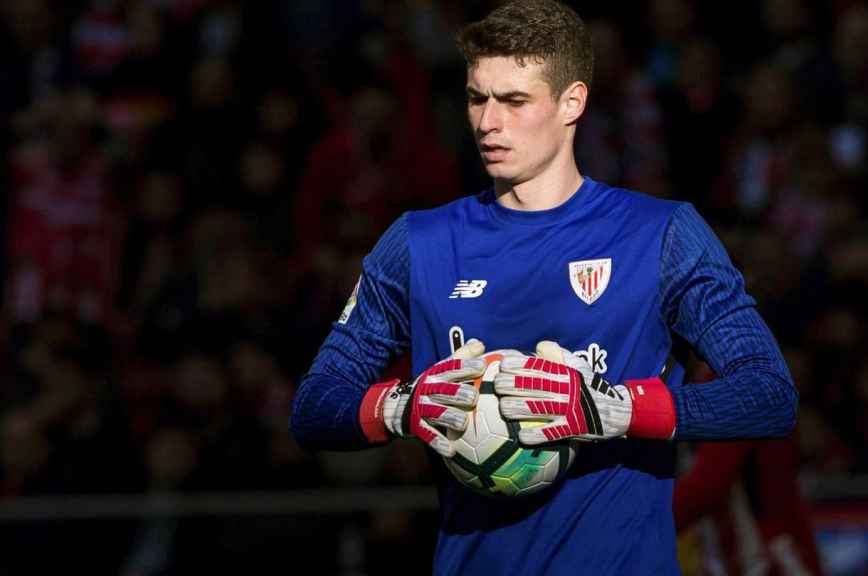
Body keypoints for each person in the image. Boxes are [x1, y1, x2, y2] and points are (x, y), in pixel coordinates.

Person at [289, 1, 798, 574]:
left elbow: (769, 396)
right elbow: (313, 406)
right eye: (477, 98)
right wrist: (400, 407)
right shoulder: (418, 243)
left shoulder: (662, 235)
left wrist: (609, 410)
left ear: (571, 103)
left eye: (513, 101)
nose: (487, 122)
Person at [673, 364, 823, 576]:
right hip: (742, 556)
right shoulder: (704, 380)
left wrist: (641, 528)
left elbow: (708, 483)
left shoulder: (739, 380)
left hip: (772, 557)